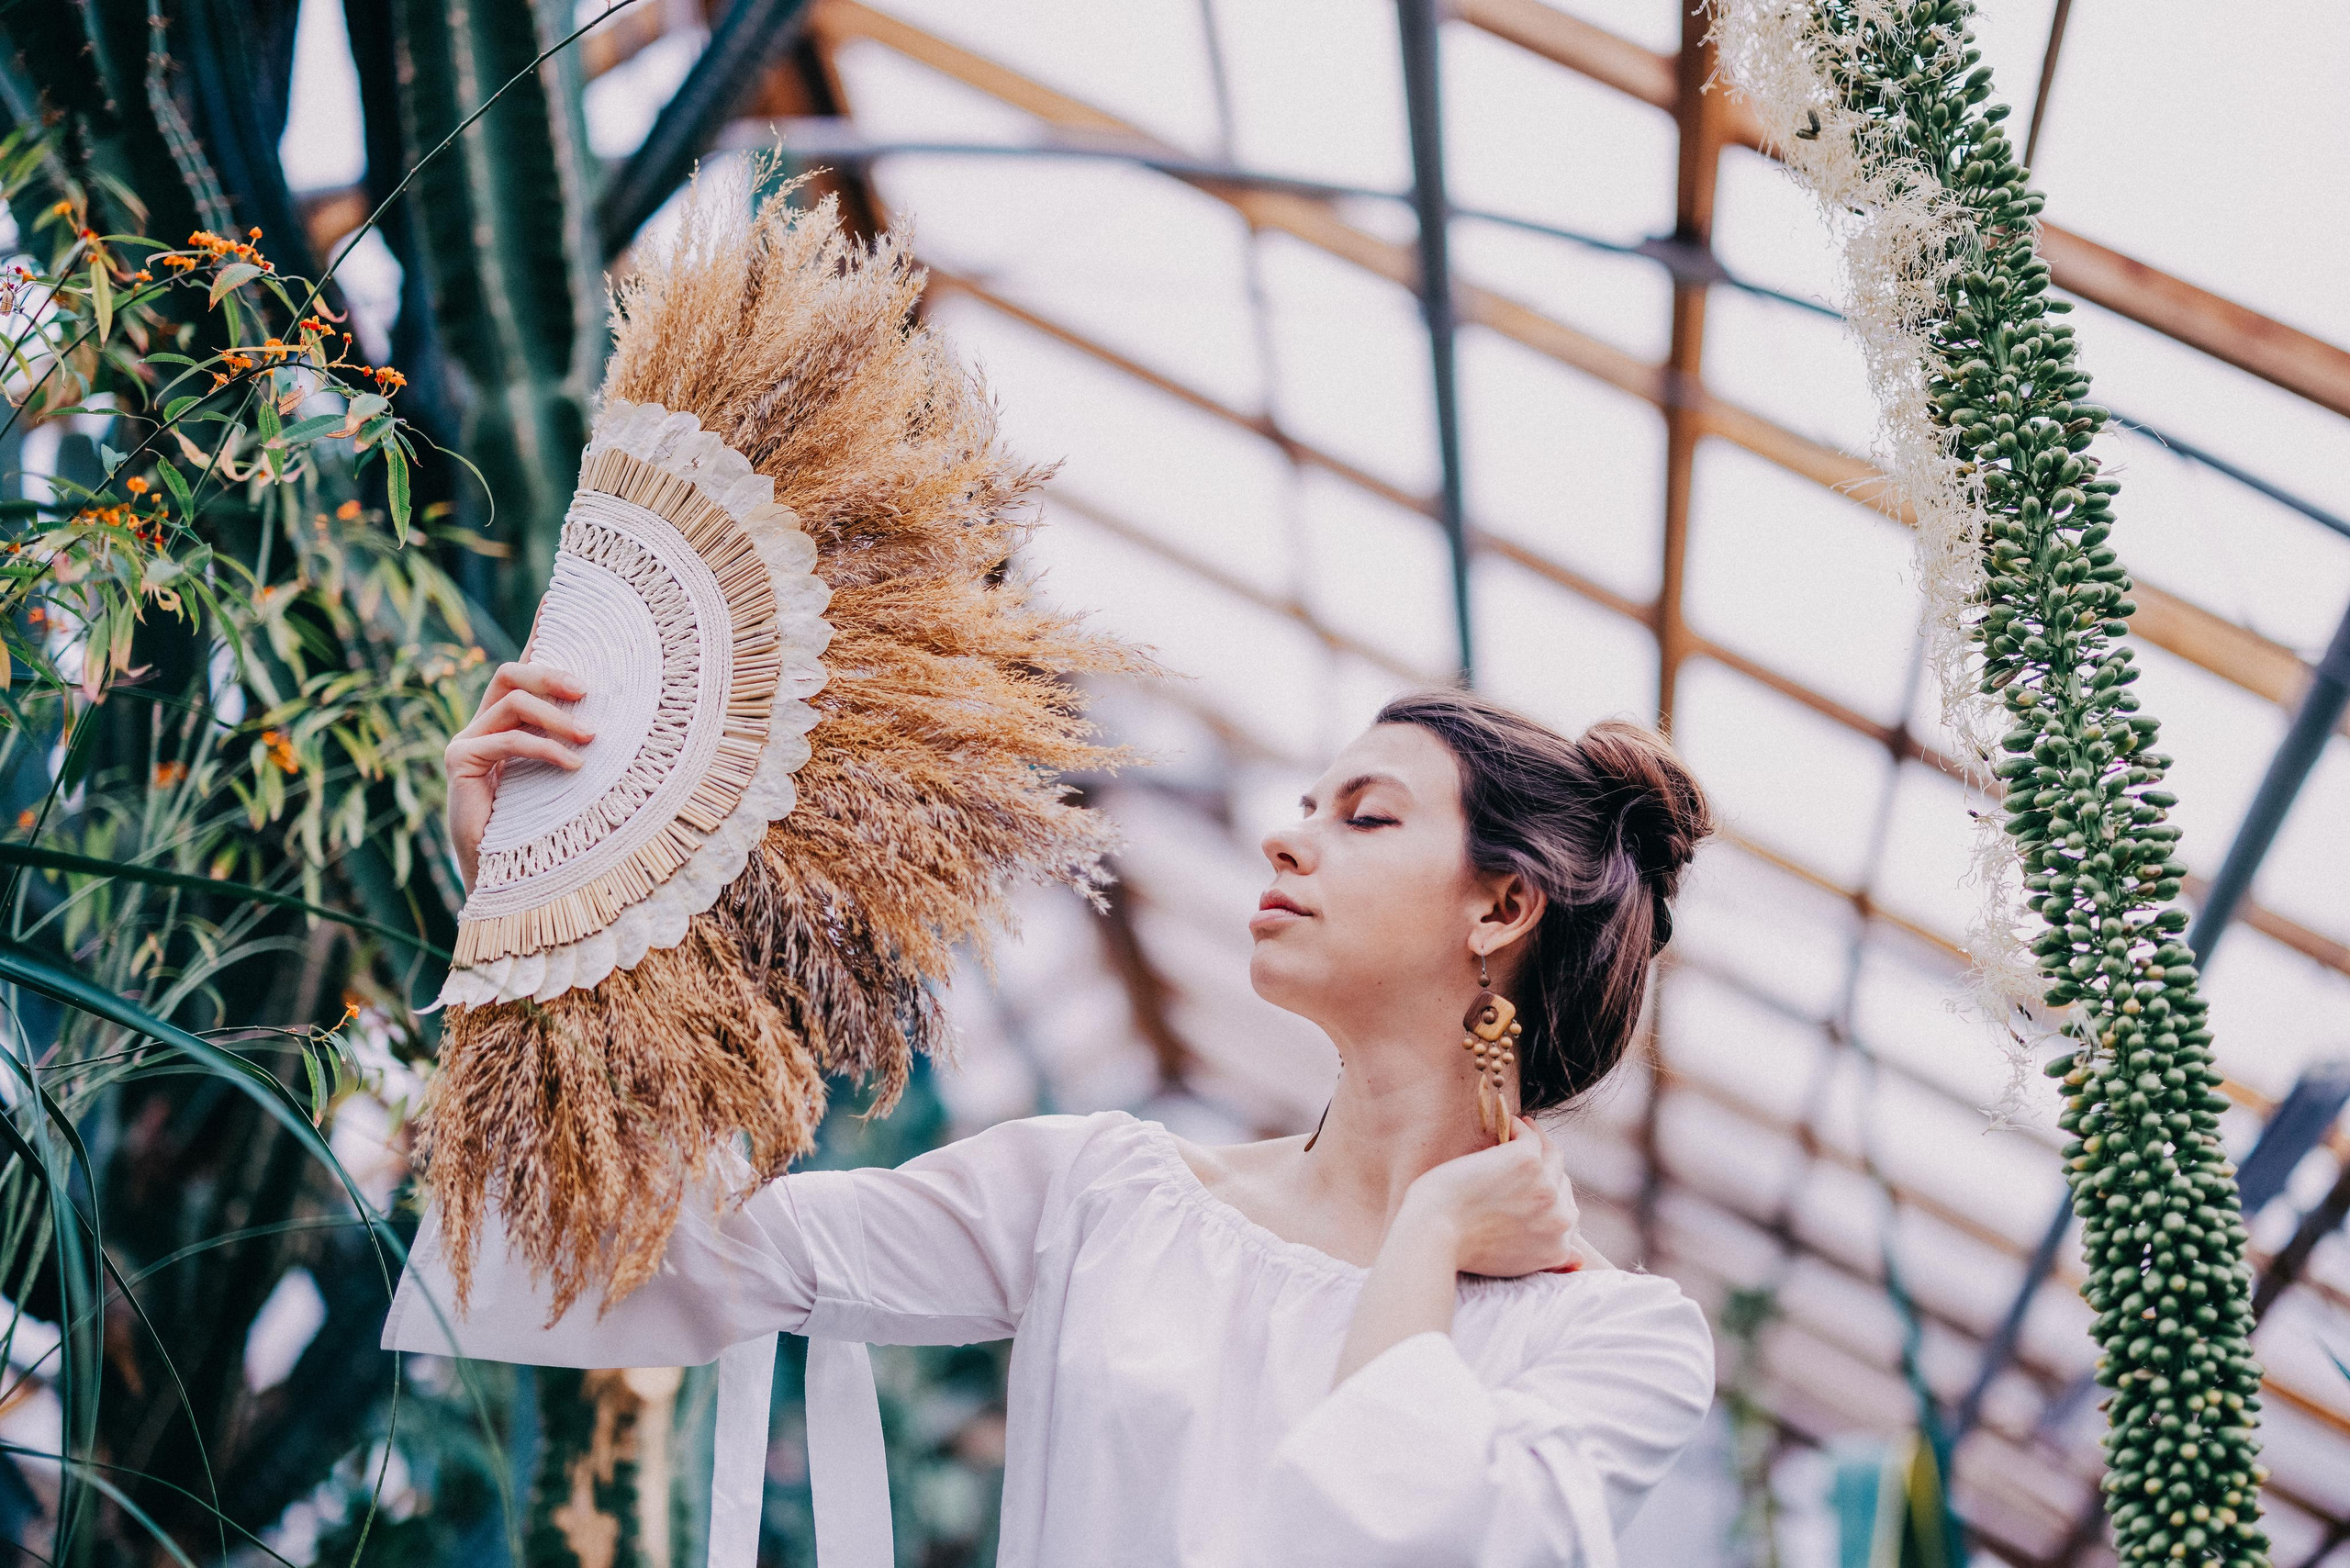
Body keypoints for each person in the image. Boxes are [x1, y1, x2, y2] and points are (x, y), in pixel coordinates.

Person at [392, 665, 1719, 1567]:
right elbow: (670, 1261)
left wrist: (1428, 1234)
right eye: (1307, 802)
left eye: (1364, 818)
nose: (1287, 837)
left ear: (1501, 907)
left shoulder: (1615, 1345)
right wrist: (539, 900)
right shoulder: (1104, 1195)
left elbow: (1378, 1540)